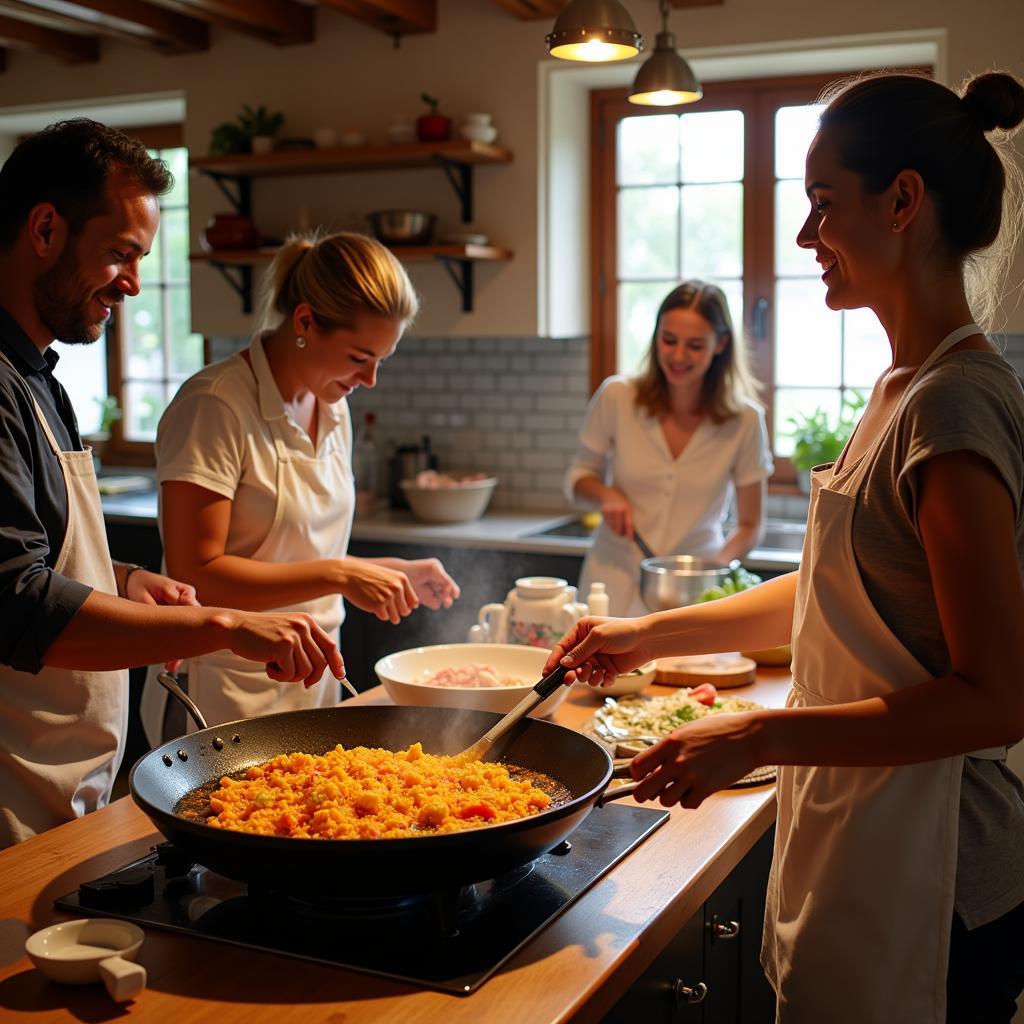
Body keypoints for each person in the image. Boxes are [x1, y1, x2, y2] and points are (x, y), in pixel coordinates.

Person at [546, 70, 1024, 1023]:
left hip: (942, 879)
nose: (806, 238)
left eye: (820, 205)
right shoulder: (899, 389)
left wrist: (760, 732)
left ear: (902, 202)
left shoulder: (954, 404)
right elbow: (834, 589)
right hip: (869, 836)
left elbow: (995, 699)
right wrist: (647, 638)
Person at [0, 120, 344, 849]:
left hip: (64, 783)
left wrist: (121, 578)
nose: (130, 283)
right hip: (10, 790)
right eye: (120, 254)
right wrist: (221, 622)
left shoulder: (40, 382)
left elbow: (43, 553)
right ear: (44, 229)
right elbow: (12, 603)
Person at [140, 232, 460, 742]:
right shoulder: (216, 405)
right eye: (360, 356)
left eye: (382, 358)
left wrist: (382, 572)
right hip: (221, 687)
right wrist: (342, 573)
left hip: (312, 681)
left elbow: (294, 552)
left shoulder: (332, 406)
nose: (371, 378)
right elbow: (195, 574)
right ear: (305, 322)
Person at [566, 281, 773, 616]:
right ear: (655, 336)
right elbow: (578, 479)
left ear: (720, 344)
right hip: (612, 582)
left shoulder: (745, 420)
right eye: (669, 340)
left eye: (694, 345)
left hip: (694, 593)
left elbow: (751, 524)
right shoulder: (618, 397)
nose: (678, 356)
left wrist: (710, 572)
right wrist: (605, 496)